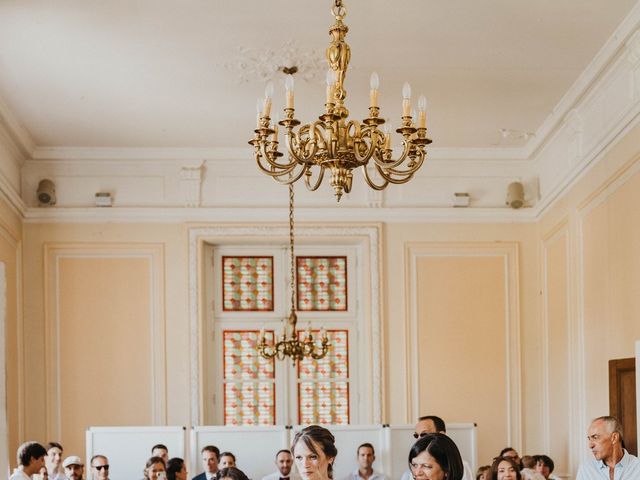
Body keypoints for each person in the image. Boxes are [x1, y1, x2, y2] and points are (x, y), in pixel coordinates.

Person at [400, 416, 473, 480]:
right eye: (416, 435)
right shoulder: (408, 473)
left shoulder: (461, 466)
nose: (419, 439)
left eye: (424, 434)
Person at [576, 415, 640, 479]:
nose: (590, 445)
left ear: (614, 438)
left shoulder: (637, 468)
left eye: (595, 437)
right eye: (589, 439)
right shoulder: (585, 470)